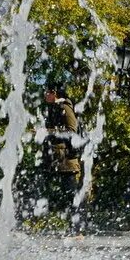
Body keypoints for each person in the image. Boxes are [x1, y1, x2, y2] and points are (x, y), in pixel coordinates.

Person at [43, 83, 80, 215]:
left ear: (55, 93)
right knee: (60, 194)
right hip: (57, 159)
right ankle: (72, 229)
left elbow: (71, 131)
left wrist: (47, 132)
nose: (45, 94)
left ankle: (78, 230)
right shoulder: (54, 108)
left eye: (47, 92)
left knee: (71, 194)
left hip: (67, 160)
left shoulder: (65, 107)